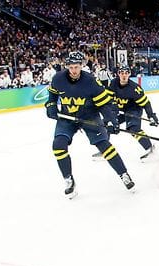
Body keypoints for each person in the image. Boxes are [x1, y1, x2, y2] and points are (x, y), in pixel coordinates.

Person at [45, 50, 134, 198]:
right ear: (67, 66)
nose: (74, 71)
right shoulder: (58, 79)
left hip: (89, 116)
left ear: (82, 66)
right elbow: (52, 95)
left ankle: (124, 174)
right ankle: (68, 179)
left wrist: (111, 121)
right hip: (67, 117)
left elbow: (103, 104)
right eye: (71, 67)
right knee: (58, 145)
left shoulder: (91, 81)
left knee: (104, 145)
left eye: (76, 67)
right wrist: (51, 106)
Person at [103, 64, 159, 160]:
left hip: (134, 109)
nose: (124, 75)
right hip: (120, 110)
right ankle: (105, 149)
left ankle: (149, 147)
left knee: (133, 129)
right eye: (122, 73)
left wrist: (151, 115)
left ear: (129, 74)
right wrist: (112, 109)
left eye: (126, 73)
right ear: (118, 74)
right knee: (105, 123)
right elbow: (108, 98)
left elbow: (145, 103)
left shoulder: (134, 88)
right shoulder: (113, 83)